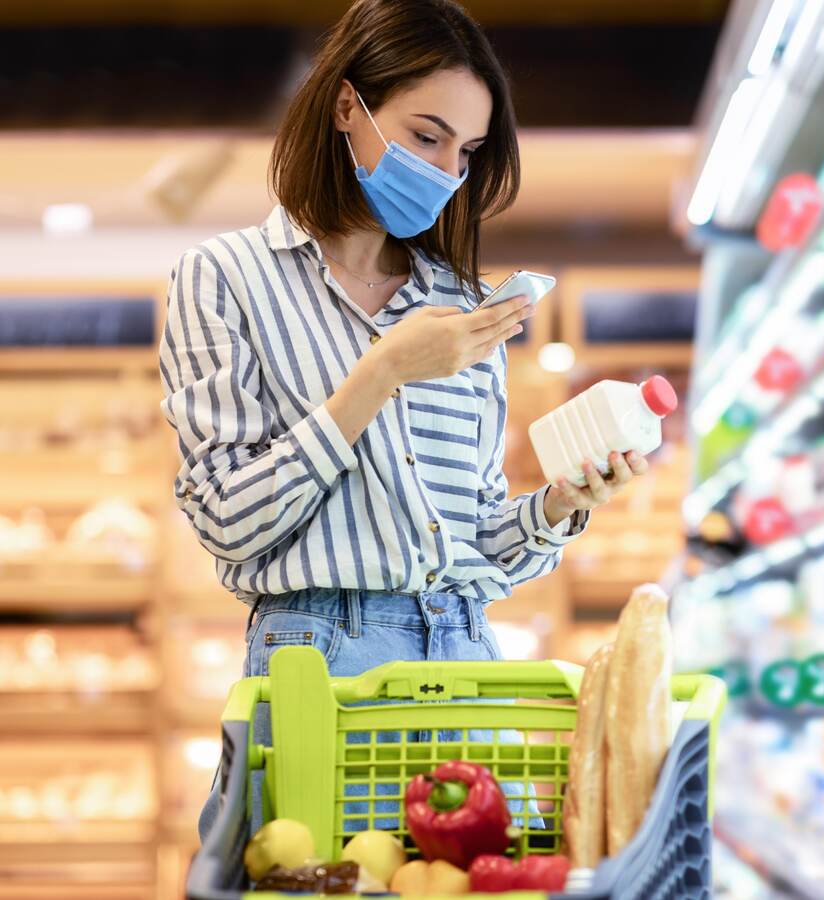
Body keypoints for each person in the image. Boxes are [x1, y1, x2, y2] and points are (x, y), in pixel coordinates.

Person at [159, 0, 649, 838]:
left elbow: (476, 557)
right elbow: (228, 522)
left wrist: (562, 505)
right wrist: (380, 374)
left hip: (465, 658)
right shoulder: (225, 278)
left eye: (466, 151)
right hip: (322, 660)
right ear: (349, 108)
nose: (447, 169)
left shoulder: (463, 310)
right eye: (426, 136)